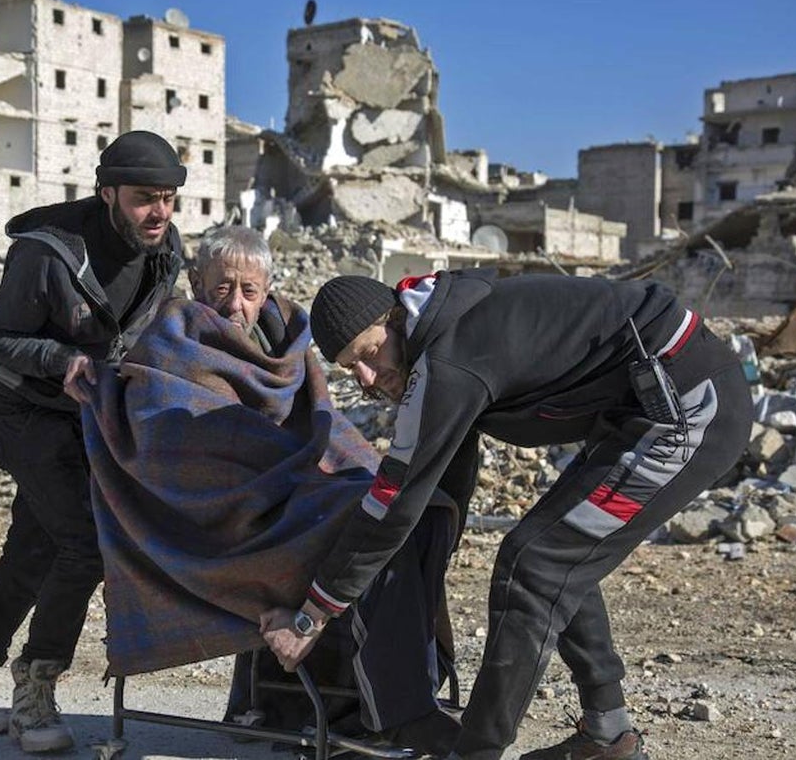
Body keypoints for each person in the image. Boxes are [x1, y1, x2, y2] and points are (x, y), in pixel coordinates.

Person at [261, 270, 752, 760]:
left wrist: (313, 615)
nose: (367, 377)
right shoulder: (444, 326)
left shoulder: (448, 361)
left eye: (369, 354)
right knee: (551, 549)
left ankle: (476, 752)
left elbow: (394, 499)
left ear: (393, 319)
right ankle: (608, 737)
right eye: (351, 369)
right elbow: (440, 487)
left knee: (535, 566)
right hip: (643, 408)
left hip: (687, 408)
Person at [70, 226, 463, 753]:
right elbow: (170, 445)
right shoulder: (171, 341)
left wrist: (350, 479)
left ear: (268, 290)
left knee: (398, 508)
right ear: (195, 282)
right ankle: (387, 710)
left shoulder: (289, 346)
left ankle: (374, 703)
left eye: (249, 291)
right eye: (221, 288)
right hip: (221, 526)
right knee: (360, 522)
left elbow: (322, 429)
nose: (236, 304)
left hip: (292, 500)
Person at [0, 131, 186, 754]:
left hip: (87, 414)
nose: (159, 213)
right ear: (108, 195)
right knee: (83, 545)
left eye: (169, 199)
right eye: (144, 200)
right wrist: (61, 359)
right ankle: (35, 689)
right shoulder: (47, 256)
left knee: (33, 548)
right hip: (23, 411)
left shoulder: (164, 251)